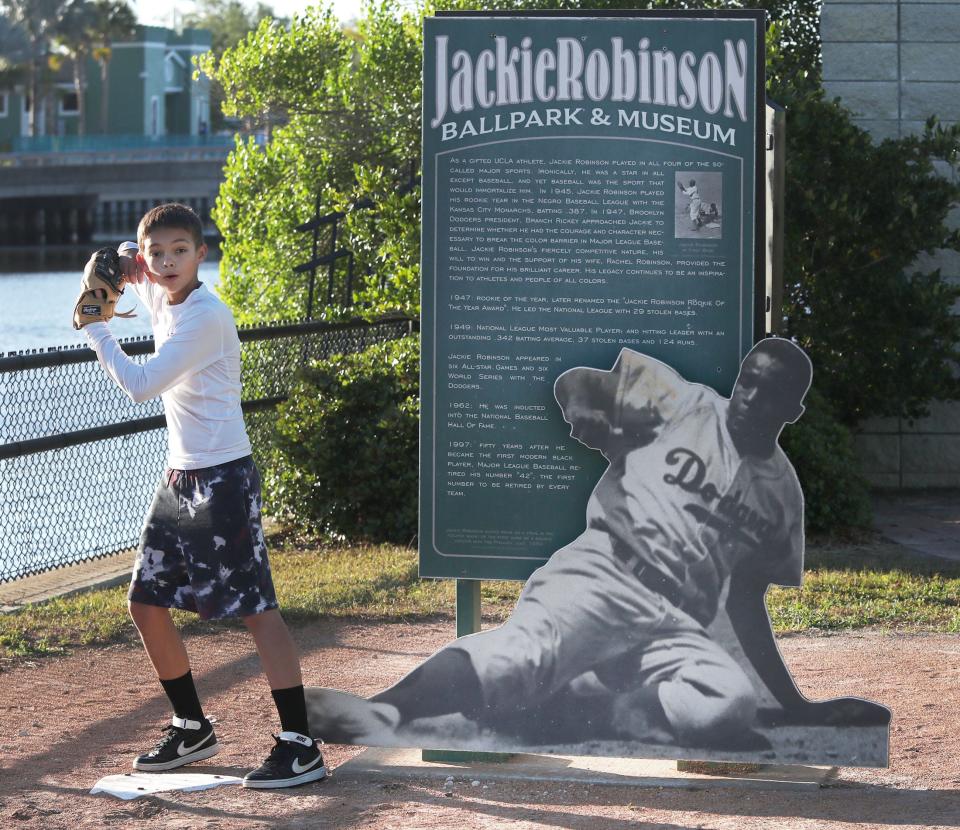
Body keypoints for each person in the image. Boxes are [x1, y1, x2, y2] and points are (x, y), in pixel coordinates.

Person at [306, 339, 888, 750]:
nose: (750, 397)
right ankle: (384, 707)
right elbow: (577, 382)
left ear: (793, 409)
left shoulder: (781, 494)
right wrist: (585, 408)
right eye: (747, 381)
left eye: (769, 392)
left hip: (677, 624)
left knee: (727, 702)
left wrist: (796, 706)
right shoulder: (685, 402)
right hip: (606, 572)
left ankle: (594, 704)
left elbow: (745, 603)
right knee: (519, 657)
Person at [76, 203, 327, 789]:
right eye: (157, 253)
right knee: (145, 601)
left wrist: (95, 328)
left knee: (256, 611)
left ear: (200, 254)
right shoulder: (166, 291)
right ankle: (191, 725)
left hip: (222, 479)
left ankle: (300, 744)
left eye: (179, 251)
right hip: (181, 475)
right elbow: (131, 266)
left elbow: (140, 386)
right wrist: (121, 262)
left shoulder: (205, 317)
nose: (166, 262)